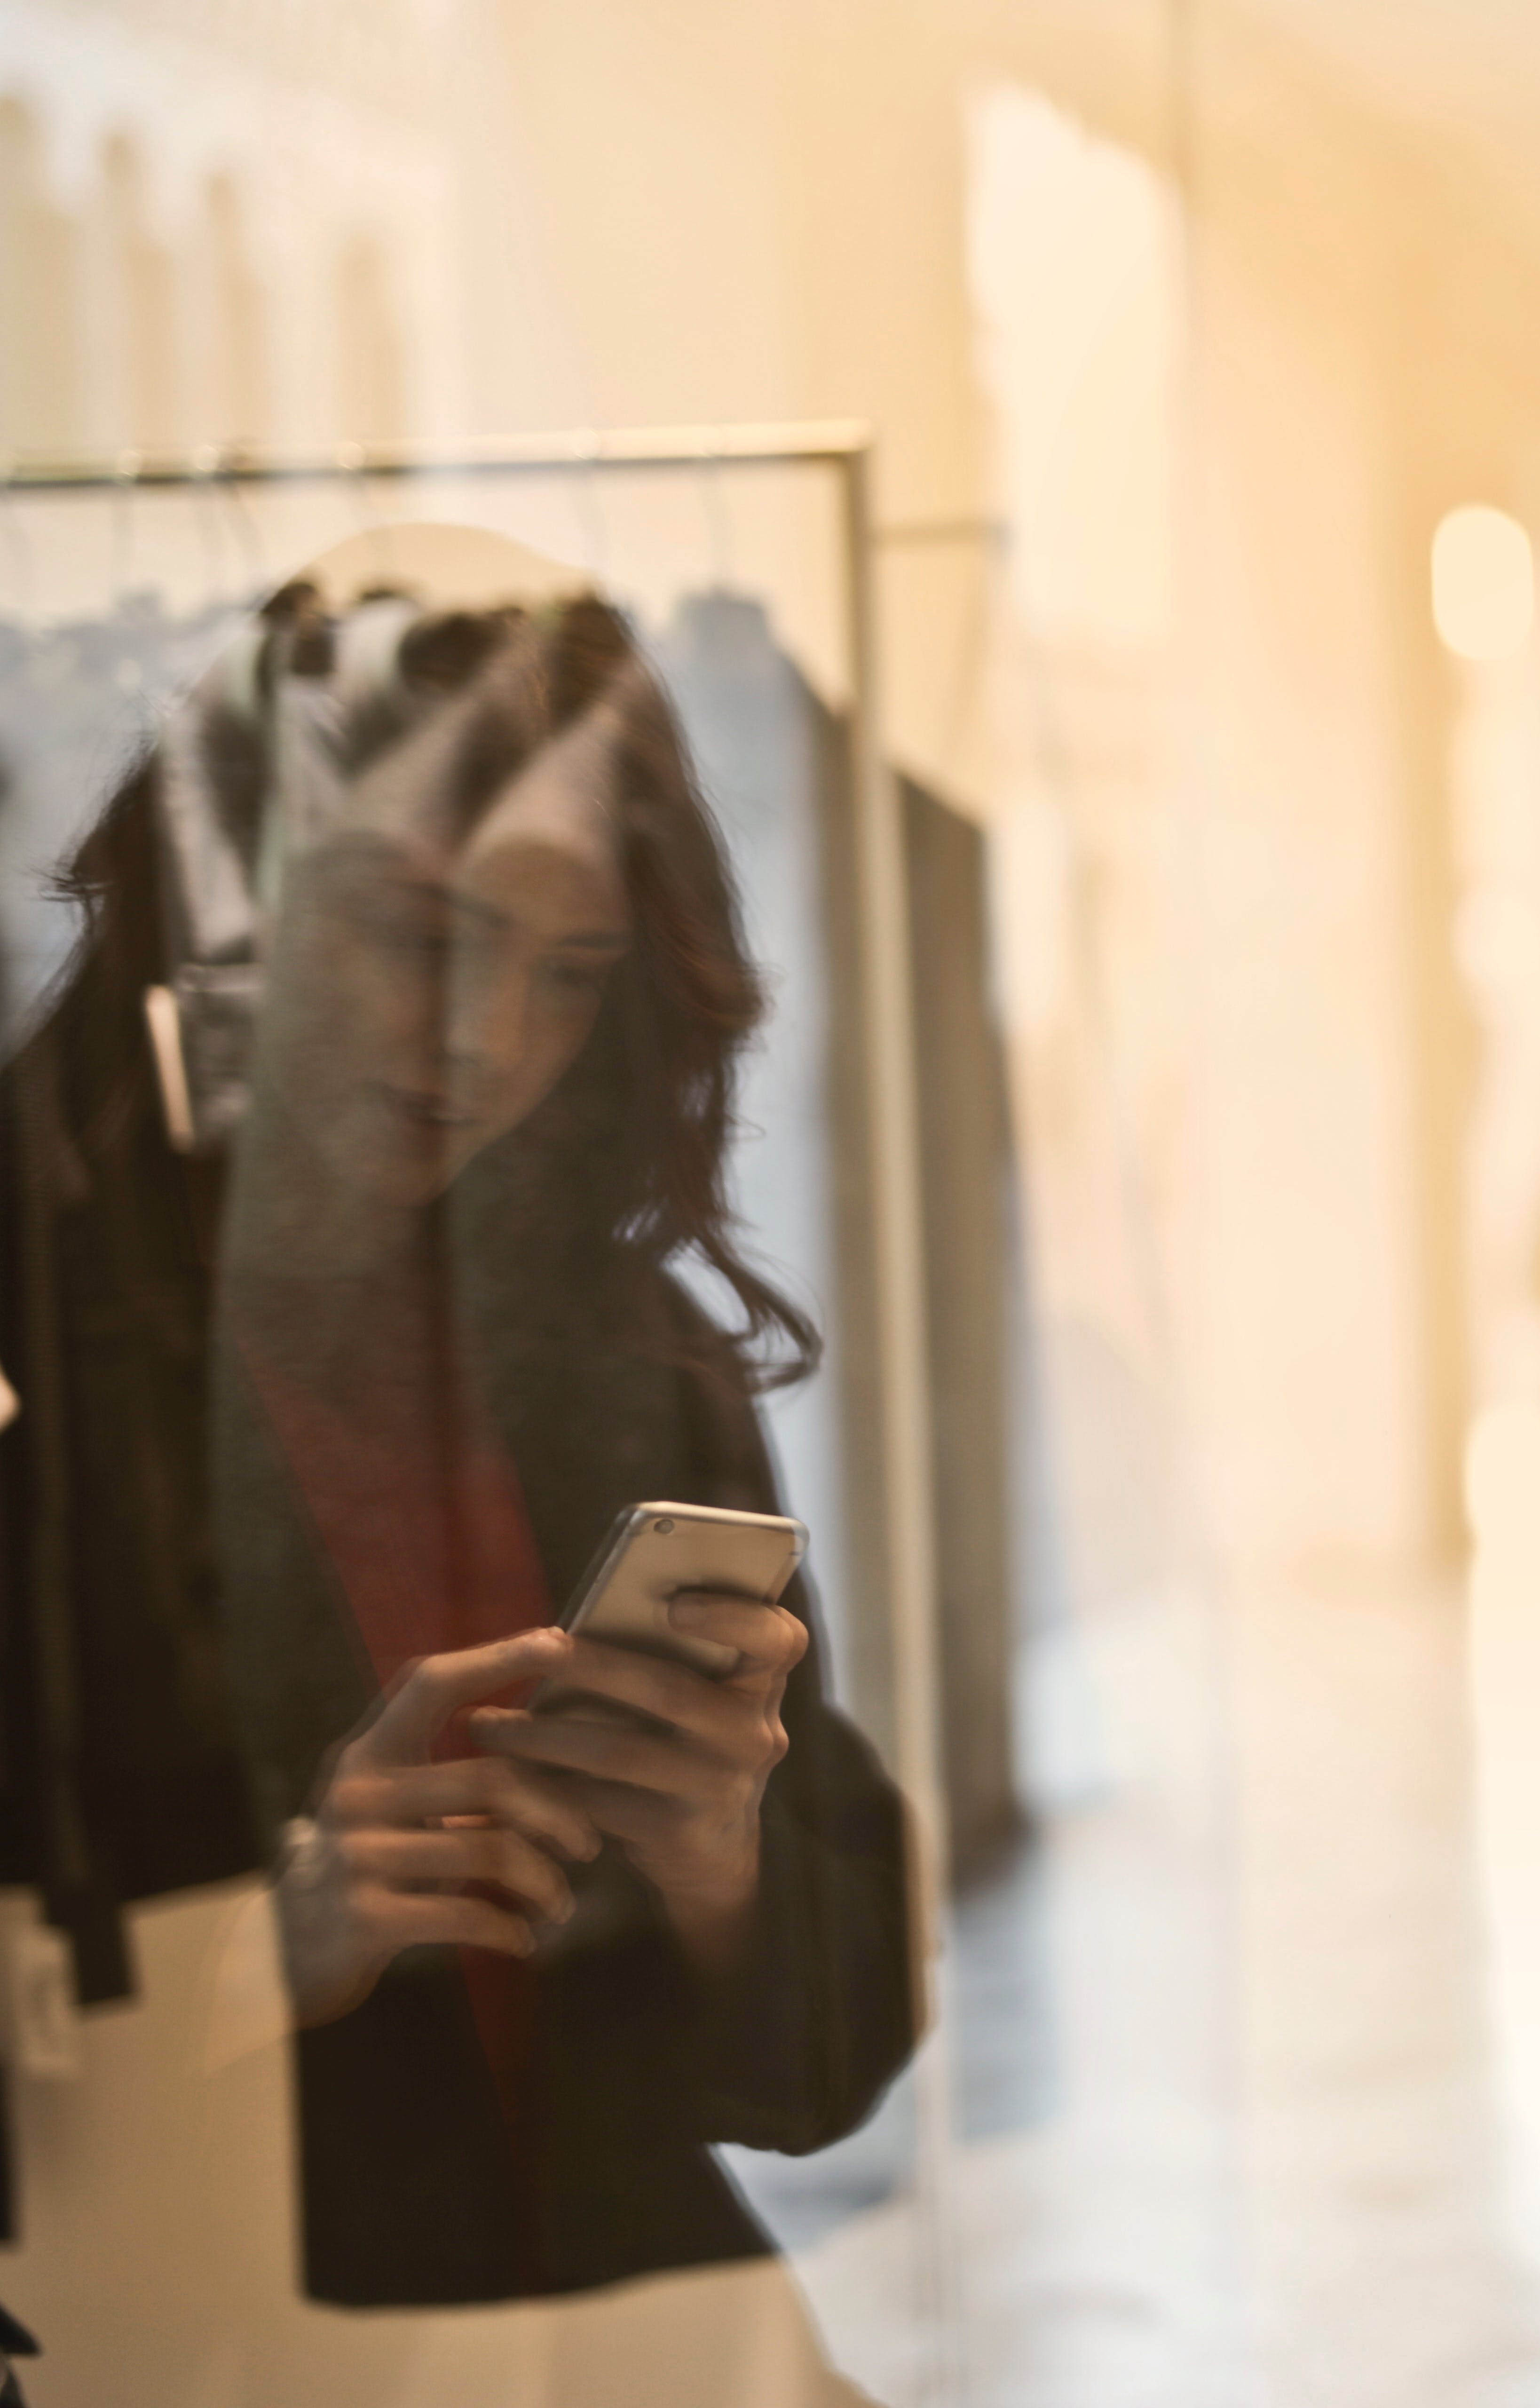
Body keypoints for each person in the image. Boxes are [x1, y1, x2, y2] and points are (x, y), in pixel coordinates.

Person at [0, 553, 914, 2314]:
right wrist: (273, 1949)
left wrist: (721, 1868)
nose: (485, 1043)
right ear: (226, 899)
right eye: (420, 937)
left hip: (606, 2321)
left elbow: (833, 2061)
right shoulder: (33, 1317)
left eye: (569, 974)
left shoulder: (614, 1340)